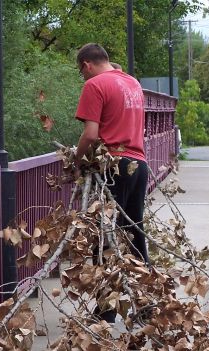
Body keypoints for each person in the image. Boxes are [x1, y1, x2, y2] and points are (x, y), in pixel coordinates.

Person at [74, 43, 148, 321]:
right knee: (133, 233)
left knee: (103, 235)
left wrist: (76, 161)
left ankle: (106, 311)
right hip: (139, 165)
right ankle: (147, 304)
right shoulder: (132, 83)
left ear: (86, 65)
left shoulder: (95, 85)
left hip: (114, 166)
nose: (83, 78)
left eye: (81, 72)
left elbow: (91, 134)